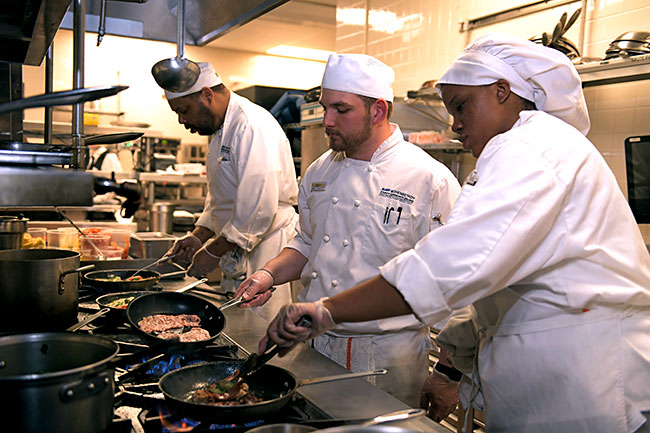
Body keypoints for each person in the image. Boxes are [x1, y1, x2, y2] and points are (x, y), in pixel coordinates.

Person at [257, 33, 650, 433]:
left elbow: (446, 268)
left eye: (462, 106)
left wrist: (326, 311)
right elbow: (492, 283)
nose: (455, 123)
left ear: (502, 91)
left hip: (583, 382)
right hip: (553, 376)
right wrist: (458, 353)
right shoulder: (535, 147)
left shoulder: (530, 149)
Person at [234, 53, 462, 407]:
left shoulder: (428, 180)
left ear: (378, 111)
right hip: (316, 344)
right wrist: (267, 275)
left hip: (389, 356)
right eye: (326, 107)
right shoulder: (319, 171)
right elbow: (307, 242)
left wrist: (448, 374)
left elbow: (454, 282)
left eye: (341, 110)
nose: (327, 120)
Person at [160, 62, 299, 320]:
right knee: (237, 325)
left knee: (260, 327)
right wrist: (198, 236)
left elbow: (259, 208)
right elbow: (221, 199)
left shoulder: (250, 125)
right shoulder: (220, 130)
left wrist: (212, 252)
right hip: (238, 247)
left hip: (265, 252)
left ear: (207, 95)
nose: (181, 120)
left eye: (183, 110)